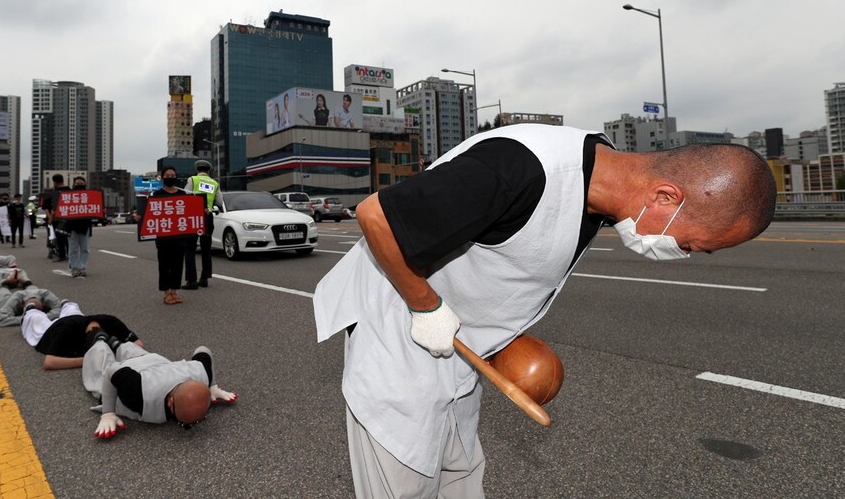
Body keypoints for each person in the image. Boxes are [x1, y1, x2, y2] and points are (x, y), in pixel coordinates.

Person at [313, 125, 777, 497]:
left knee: (460, 477)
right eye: (691, 243)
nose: (684, 252)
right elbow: (377, 216)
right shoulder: (522, 169)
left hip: (456, 352)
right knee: (407, 482)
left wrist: (502, 336)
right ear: (664, 198)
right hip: (399, 339)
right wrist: (426, 306)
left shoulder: (597, 181)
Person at [82, 339, 236, 439]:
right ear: (170, 402)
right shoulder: (139, 395)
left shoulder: (201, 373)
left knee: (132, 349)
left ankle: (118, 344)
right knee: (100, 367)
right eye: (184, 424)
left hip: (153, 363)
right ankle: (99, 341)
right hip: (138, 372)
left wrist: (212, 387)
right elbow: (112, 371)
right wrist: (108, 413)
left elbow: (203, 349)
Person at [21, 299, 142, 370]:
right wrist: (89, 360)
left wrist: (117, 351)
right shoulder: (68, 331)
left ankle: (65, 303)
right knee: (34, 316)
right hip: (50, 330)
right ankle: (30, 305)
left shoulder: (110, 322)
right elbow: (49, 362)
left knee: (72, 307)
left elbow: (138, 343)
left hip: (77, 317)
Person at [151, 166, 187, 305]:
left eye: (173, 175)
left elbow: (189, 212)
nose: (170, 177)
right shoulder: (157, 195)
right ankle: (166, 293)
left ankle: (174, 291)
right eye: (168, 175)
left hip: (180, 236)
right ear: (162, 177)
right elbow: (150, 213)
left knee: (178, 264)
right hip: (163, 237)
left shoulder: (183, 194)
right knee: (165, 265)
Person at [183, 160, 219, 289]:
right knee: (206, 248)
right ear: (208, 171)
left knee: (190, 248)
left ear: (197, 170)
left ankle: (191, 281)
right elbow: (219, 201)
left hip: (194, 217)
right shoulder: (214, 183)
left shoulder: (192, 180)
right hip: (208, 217)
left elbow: (186, 195)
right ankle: (204, 279)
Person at [67, 176, 93, 278]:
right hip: (72, 226)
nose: (79, 185)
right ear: (73, 185)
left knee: (85, 249)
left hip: (85, 225)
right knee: (73, 249)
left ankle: (82, 268)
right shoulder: (68, 196)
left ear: (85, 184)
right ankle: (74, 268)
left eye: (81, 183)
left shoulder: (90, 195)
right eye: (77, 183)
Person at [44, 174, 70, 262]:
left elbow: (54, 209)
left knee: (59, 237)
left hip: (57, 218)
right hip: (69, 217)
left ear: (54, 182)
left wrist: (50, 219)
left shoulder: (55, 193)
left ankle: (62, 255)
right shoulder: (70, 190)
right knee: (67, 237)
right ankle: (70, 254)